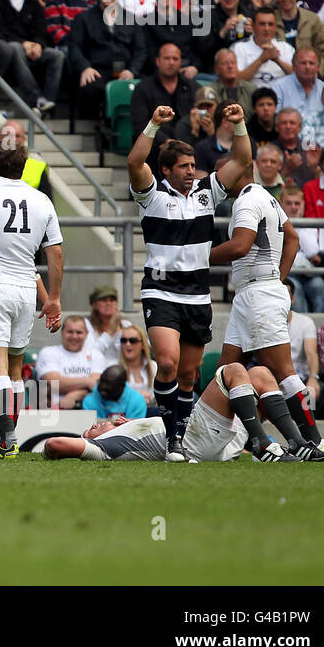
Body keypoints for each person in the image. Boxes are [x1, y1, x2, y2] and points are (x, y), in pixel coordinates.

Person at [127, 103, 251, 456]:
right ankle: (171, 436)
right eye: (183, 167)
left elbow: (241, 161)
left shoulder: (206, 191)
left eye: (193, 166)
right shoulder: (152, 195)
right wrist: (152, 124)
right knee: (166, 362)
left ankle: (181, 433)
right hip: (161, 292)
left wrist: (239, 124)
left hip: (198, 296)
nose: (190, 172)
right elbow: (135, 162)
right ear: (165, 169)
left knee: (188, 374)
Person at [208, 159, 324, 459]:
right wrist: (279, 276)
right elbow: (293, 238)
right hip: (253, 291)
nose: (218, 179)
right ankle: (238, 440)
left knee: (281, 370)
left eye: (221, 172)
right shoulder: (266, 196)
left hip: (258, 292)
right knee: (225, 370)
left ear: (237, 171)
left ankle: (313, 441)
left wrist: (199, 256)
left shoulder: (247, 201)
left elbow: (240, 245)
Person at [0, 139, 63, 459]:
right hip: (26, 290)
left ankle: (7, 439)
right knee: (16, 368)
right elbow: (56, 253)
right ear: (24, 167)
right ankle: (10, 439)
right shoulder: (42, 201)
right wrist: (54, 299)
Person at [43, 363, 300, 462]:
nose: (97, 424)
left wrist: (132, 422)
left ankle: (297, 444)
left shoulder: (130, 428)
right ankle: (263, 445)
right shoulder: (107, 445)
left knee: (259, 374)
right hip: (195, 442)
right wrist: (84, 440)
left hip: (220, 445)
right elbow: (55, 444)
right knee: (230, 371)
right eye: (91, 429)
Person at [35, 314, 104, 410]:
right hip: (53, 412)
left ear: (86, 334)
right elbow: (54, 384)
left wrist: (76, 395)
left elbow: (97, 386)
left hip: (89, 411)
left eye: (79, 332)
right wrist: (88, 382)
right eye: (70, 332)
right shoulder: (48, 352)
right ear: (62, 332)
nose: (74, 336)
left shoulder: (96, 355)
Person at [80, 364, 147, 419]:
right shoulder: (90, 401)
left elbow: (134, 430)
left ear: (122, 386)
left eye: (109, 384)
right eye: (101, 381)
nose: (103, 387)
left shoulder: (137, 401)